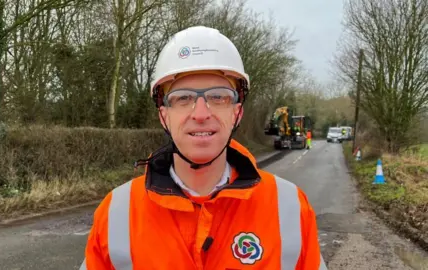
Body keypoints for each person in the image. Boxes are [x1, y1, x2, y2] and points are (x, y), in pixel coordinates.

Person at [79, 26, 327, 270]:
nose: (200, 114)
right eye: (183, 98)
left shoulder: (290, 208)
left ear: (237, 113)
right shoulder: (117, 213)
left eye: (218, 97)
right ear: (164, 115)